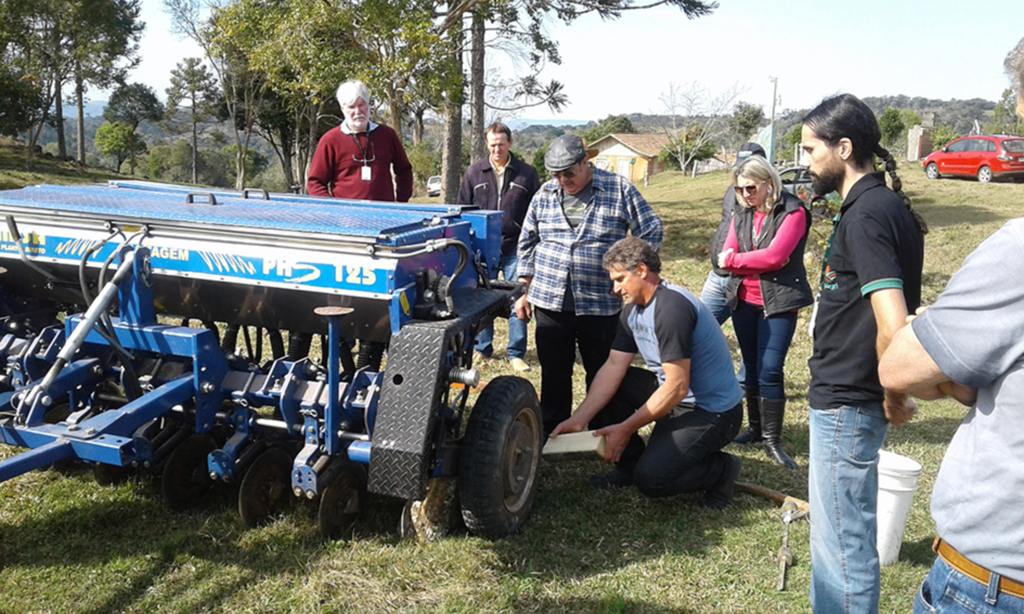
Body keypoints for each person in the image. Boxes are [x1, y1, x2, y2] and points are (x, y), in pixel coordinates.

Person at [879, 37, 1024, 614]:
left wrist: (939, 351)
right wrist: (969, 378)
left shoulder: (1018, 252)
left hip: (995, 582)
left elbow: (900, 364)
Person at [801, 93, 927, 614]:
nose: (807, 162)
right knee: (836, 539)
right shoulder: (879, 206)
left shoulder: (868, 215)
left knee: (842, 549)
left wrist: (893, 394)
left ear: (844, 148)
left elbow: (893, 325)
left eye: (812, 149)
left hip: (849, 400)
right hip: (848, 397)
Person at [549, 238, 743, 506]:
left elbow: (677, 387)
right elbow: (614, 366)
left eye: (620, 279)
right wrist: (579, 419)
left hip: (712, 411)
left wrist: (626, 428)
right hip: (676, 398)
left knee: (653, 480)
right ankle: (629, 466)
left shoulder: (671, 309)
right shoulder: (632, 310)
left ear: (641, 270)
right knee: (610, 385)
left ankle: (722, 469)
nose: (615, 289)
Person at [515, 134, 663, 438]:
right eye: (556, 174)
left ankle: (602, 431)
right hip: (550, 301)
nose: (562, 180)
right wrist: (523, 291)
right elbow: (527, 242)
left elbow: (652, 229)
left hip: (600, 303)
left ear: (586, 162)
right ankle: (553, 431)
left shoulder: (618, 189)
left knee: (602, 370)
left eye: (569, 173)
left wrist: (631, 275)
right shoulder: (545, 193)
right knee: (554, 372)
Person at [717, 155, 812, 468]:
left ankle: (772, 439)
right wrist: (740, 260)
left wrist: (736, 261)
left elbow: (775, 257)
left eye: (750, 188)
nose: (744, 194)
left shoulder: (793, 211)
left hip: (779, 301)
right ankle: (756, 430)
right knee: (751, 366)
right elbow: (726, 250)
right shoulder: (743, 211)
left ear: (769, 183)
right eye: (739, 189)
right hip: (744, 299)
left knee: (771, 368)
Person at [457, 122, 540, 372]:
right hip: (483, 249)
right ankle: (482, 349)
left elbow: (537, 211)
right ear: (487, 144)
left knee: (518, 299)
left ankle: (516, 353)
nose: (497, 149)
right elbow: (463, 208)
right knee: (482, 300)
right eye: (492, 145)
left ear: (510, 143)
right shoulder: (474, 172)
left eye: (501, 144)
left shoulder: (527, 173)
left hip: (516, 247)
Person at [307, 80, 413, 202]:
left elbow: (404, 171)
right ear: (342, 109)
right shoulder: (330, 140)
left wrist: (400, 203)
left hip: (384, 212)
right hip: (346, 213)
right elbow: (315, 183)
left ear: (368, 105)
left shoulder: (387, 135)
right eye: (351, 107)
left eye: (361, 105)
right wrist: (334, 208)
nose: (357, 112)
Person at [701, 142, 767, 326]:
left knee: (749, 340)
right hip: (718, 275)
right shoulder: (733, 190)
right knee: (698, 330)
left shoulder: (776, 200)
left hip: (745, 280)